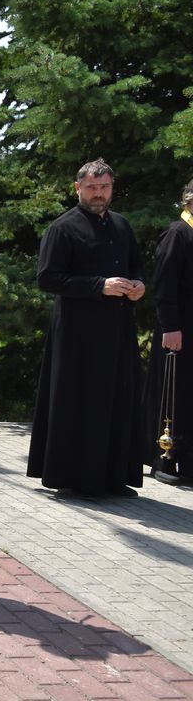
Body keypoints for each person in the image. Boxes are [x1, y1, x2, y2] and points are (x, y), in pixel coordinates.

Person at [27, 158, 147, 498]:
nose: (98, 194)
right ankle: (75, 479)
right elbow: (48, 278)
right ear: (78, 188)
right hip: (77, 334)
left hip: (118, 330)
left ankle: (114, 477)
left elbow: (137, 266)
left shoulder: (122, 226)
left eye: (104, 187)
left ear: (112, 188)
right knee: (80, 401)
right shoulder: (62, 228)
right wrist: (99, 286)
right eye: (92, 188)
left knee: (116, 399)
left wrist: (139, 285)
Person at [145, 180, 193, 485]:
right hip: (177, 329)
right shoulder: (178, 233)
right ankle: (163, 460)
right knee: (172, 395)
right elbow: (163, 285)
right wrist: (170, 326)